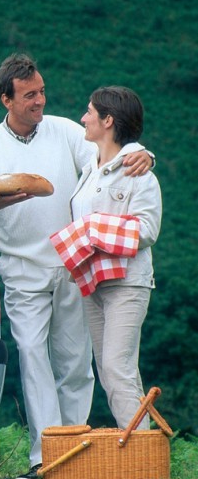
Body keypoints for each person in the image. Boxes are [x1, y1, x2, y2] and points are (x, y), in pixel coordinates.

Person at [0, 53, 154, 479]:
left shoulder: (64, 131)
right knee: (32, 357)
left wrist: (143, 154)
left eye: (41, 91)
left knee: (76, 363)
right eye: (29, 95)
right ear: (6, 99)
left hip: (75, 264)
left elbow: (111, 153)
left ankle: (76, 451)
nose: (39, 101)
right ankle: (44, 457)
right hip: (21, 269)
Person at [68, 86, 161, 431]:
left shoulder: (139, 172)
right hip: (94, 283)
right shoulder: (90, 167)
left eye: (89, 112)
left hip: (127, 283)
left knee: (118, 366)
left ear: (108, 120)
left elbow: (148, 229)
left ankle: (140, 452)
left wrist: (92, 231)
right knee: (109, 369)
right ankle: (140, 446)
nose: (83, 118)